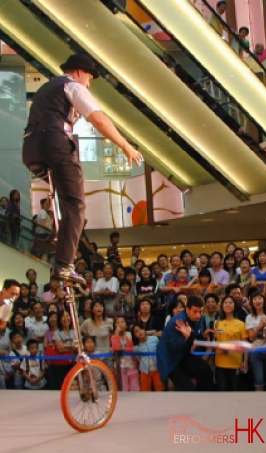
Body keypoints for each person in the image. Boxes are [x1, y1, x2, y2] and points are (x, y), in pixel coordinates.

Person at [22, 53, 141, 282]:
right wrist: (126, 146)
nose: (88, 84)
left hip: (32, 149)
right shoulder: (73, 86)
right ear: (79, 72)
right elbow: (99, 120)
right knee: (76, 204)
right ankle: (64, 263)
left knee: (66, 198)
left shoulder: (47, 89)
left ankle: (59, 237)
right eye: (89, 79)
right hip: (55, 144)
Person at [156, 295, 214, 391]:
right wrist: (186, 338)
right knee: (187, 389)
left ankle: (202, 399)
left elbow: (193, 336)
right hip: (170, 360)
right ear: (187, 310)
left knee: (206, 370)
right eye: (195, 312)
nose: (198, 315)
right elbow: (174, 347)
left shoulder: (198, 319)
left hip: (183, 355)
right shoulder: (178, 322)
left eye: (200, 311)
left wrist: (202, 335)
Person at [214, 295, 248, 391]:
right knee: (223, 389)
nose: (228, 305)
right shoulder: (217, 323)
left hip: (236, 362)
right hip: (220, 362)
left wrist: (245, 362)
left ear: (234, 306)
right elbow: (214, 342)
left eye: (230, 302)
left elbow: (244, 345)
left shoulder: (241, 324)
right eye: (225, 303)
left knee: (236, 389)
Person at [110, 317, 139, 392]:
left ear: (126, 325)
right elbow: (116, 347)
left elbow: (132, 348)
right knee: (124, 389)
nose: (120, 324)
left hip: (132, 365)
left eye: (122, 322)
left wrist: (123, 348)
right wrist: (116, 333)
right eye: (117, 322)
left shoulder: (129, 335)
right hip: (120, 367)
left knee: (135, 389)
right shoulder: (113, 337)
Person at [132, 325, 164, 392]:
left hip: (157, 369)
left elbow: (161, 350)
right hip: (145, 371)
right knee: (145, 392)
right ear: (135, 336)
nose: (140, 332)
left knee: (160, 391)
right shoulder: (136, 347)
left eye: (140, 329)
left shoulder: (154, 339)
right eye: (136, 332)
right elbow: (139, 359)